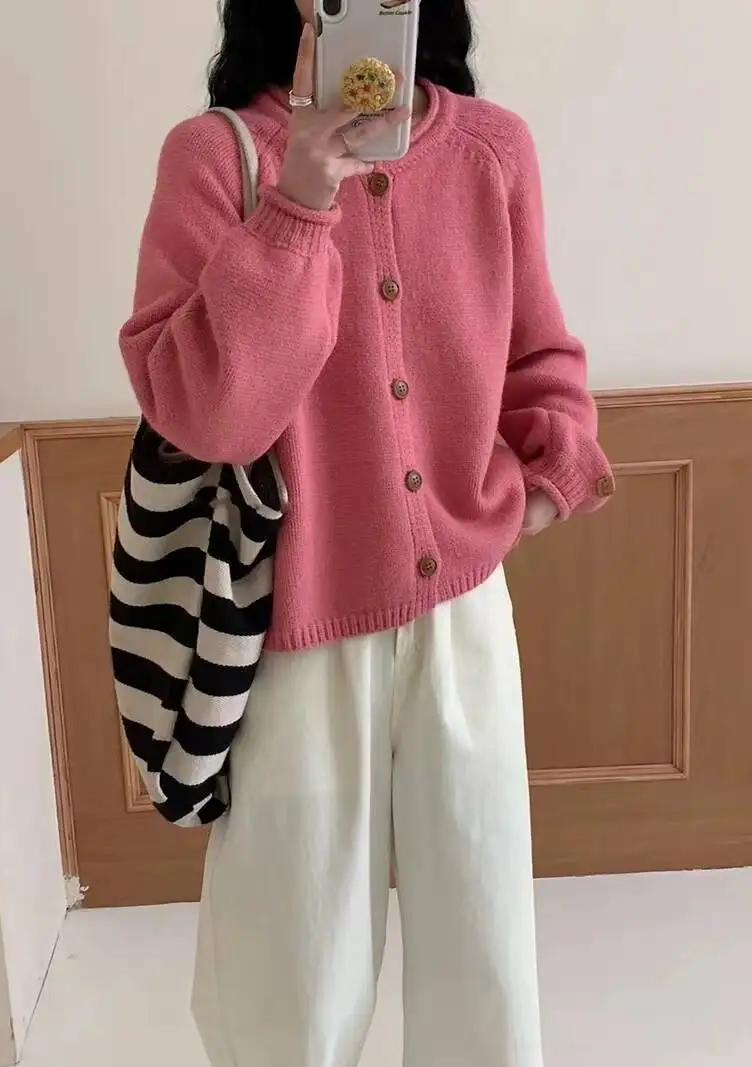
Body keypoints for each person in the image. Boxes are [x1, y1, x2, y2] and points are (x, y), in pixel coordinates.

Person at [119, 2, 614, 1065]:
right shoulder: (213, 160)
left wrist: (533, 491)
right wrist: (299, 203)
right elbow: (207, 416)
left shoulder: (491, 150)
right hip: (292, 630)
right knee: (289, 980)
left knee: (484, 959)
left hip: (463, 619)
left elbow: (540, 359)